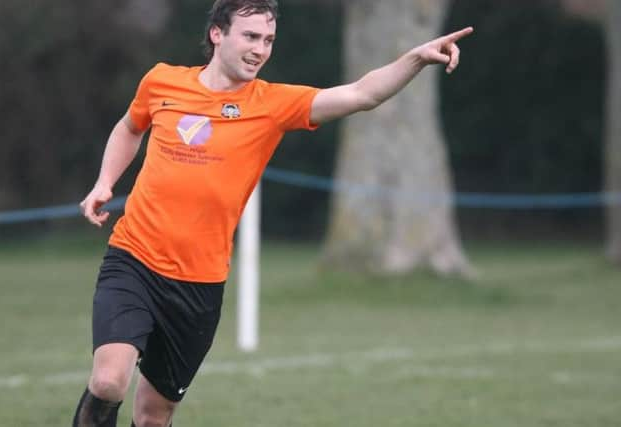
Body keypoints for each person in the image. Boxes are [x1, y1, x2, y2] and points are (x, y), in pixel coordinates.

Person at [73, 0, 473, 425]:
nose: (260, 49)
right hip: (133, 260)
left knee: (154, 415)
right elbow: (129, 127)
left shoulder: (272, 104)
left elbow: (362, 94)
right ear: (217, 34)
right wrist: (105, 182)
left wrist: (414, 58)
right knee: (109, 382)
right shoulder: (162, 81)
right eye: (250, 36)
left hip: (198, 285)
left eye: (268, 40)